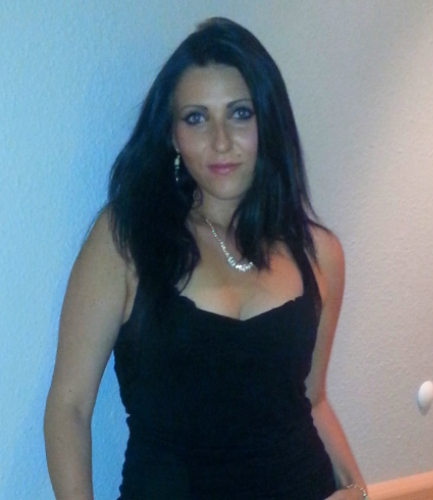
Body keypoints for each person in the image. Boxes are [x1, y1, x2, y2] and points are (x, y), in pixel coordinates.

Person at [44, 17, 369, 500]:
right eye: (196, 118)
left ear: (267, 123)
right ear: (172, 135)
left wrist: (358, 490)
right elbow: (69, 407)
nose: (220, 141)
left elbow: (313, 399)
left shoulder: (319, 254)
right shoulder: (125, 241)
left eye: (240, 113)